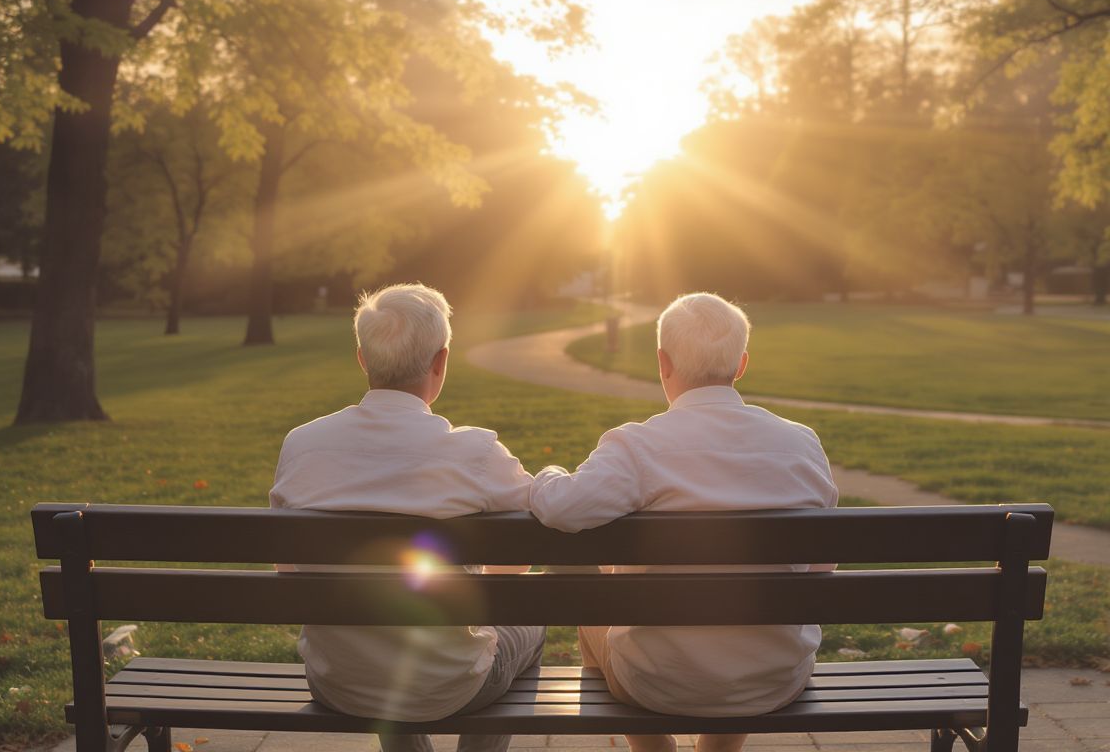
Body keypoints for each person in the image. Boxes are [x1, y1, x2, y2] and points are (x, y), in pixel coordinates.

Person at [529, 292, 838, 752]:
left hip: (656, 683)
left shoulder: (637, 447)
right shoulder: (800, 444)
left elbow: (558, 509)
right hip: (774, 680)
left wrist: (548, 474)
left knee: (590, 602)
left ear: (663, 363)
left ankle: (652, 748)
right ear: (741, 364)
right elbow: (821, 569)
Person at [270, 283, 543, 752]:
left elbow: (288, 571)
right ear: (441, 361)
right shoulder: (474, 452)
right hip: (451, 686)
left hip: (338, 681)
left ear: (362, 358)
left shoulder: (302, 444)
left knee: (386, 642)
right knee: (531, 617)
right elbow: (519, 562)